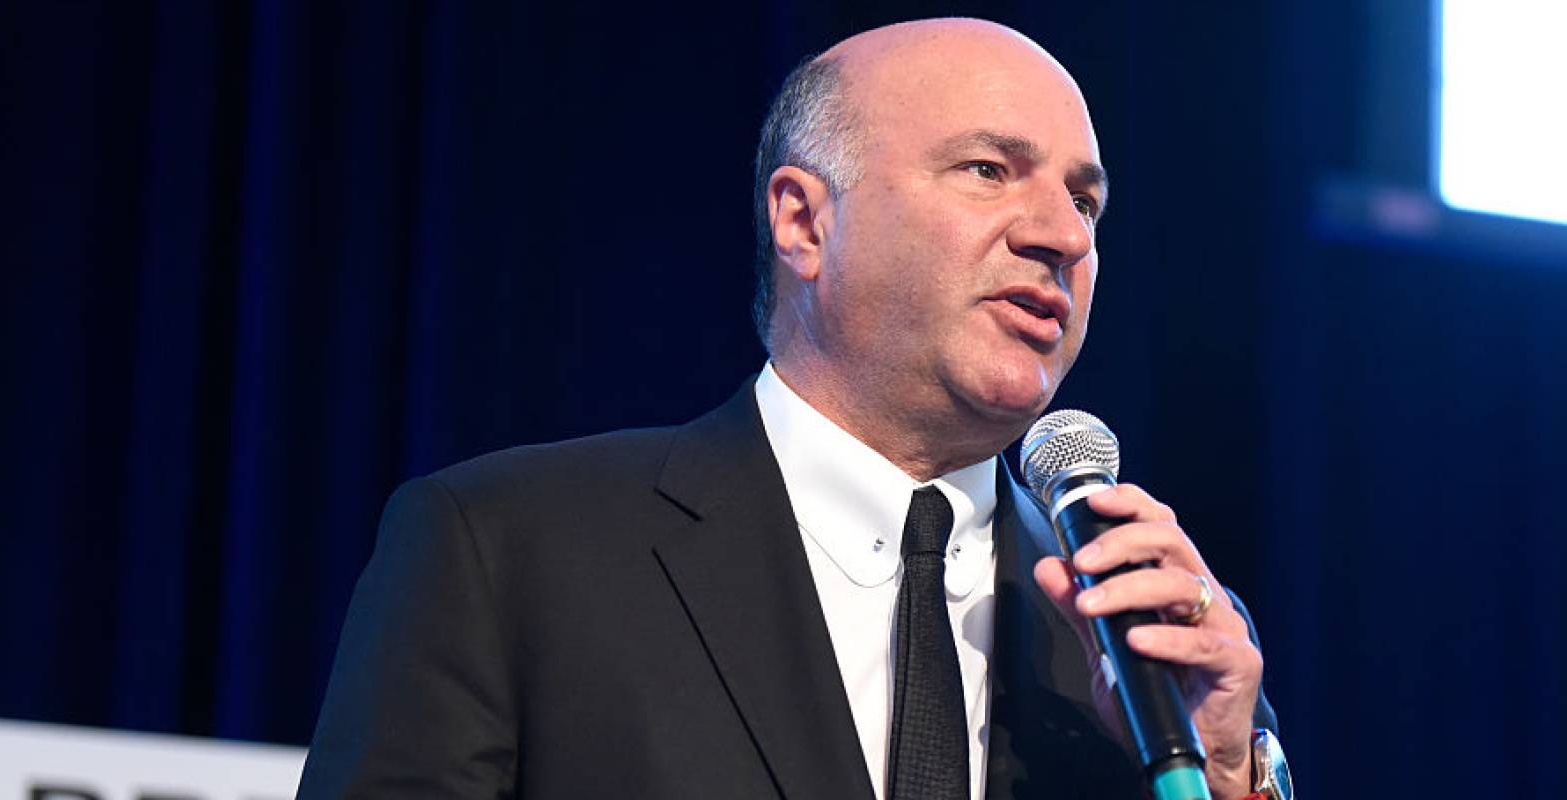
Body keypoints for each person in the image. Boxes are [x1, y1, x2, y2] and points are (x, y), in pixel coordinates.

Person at [297, 17, 1279, 800]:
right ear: (804, 219)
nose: (1061, 233)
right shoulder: (507, 550)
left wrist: (1231, 774)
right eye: (989, 169)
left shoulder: (1146, 642)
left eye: (1087, 202)